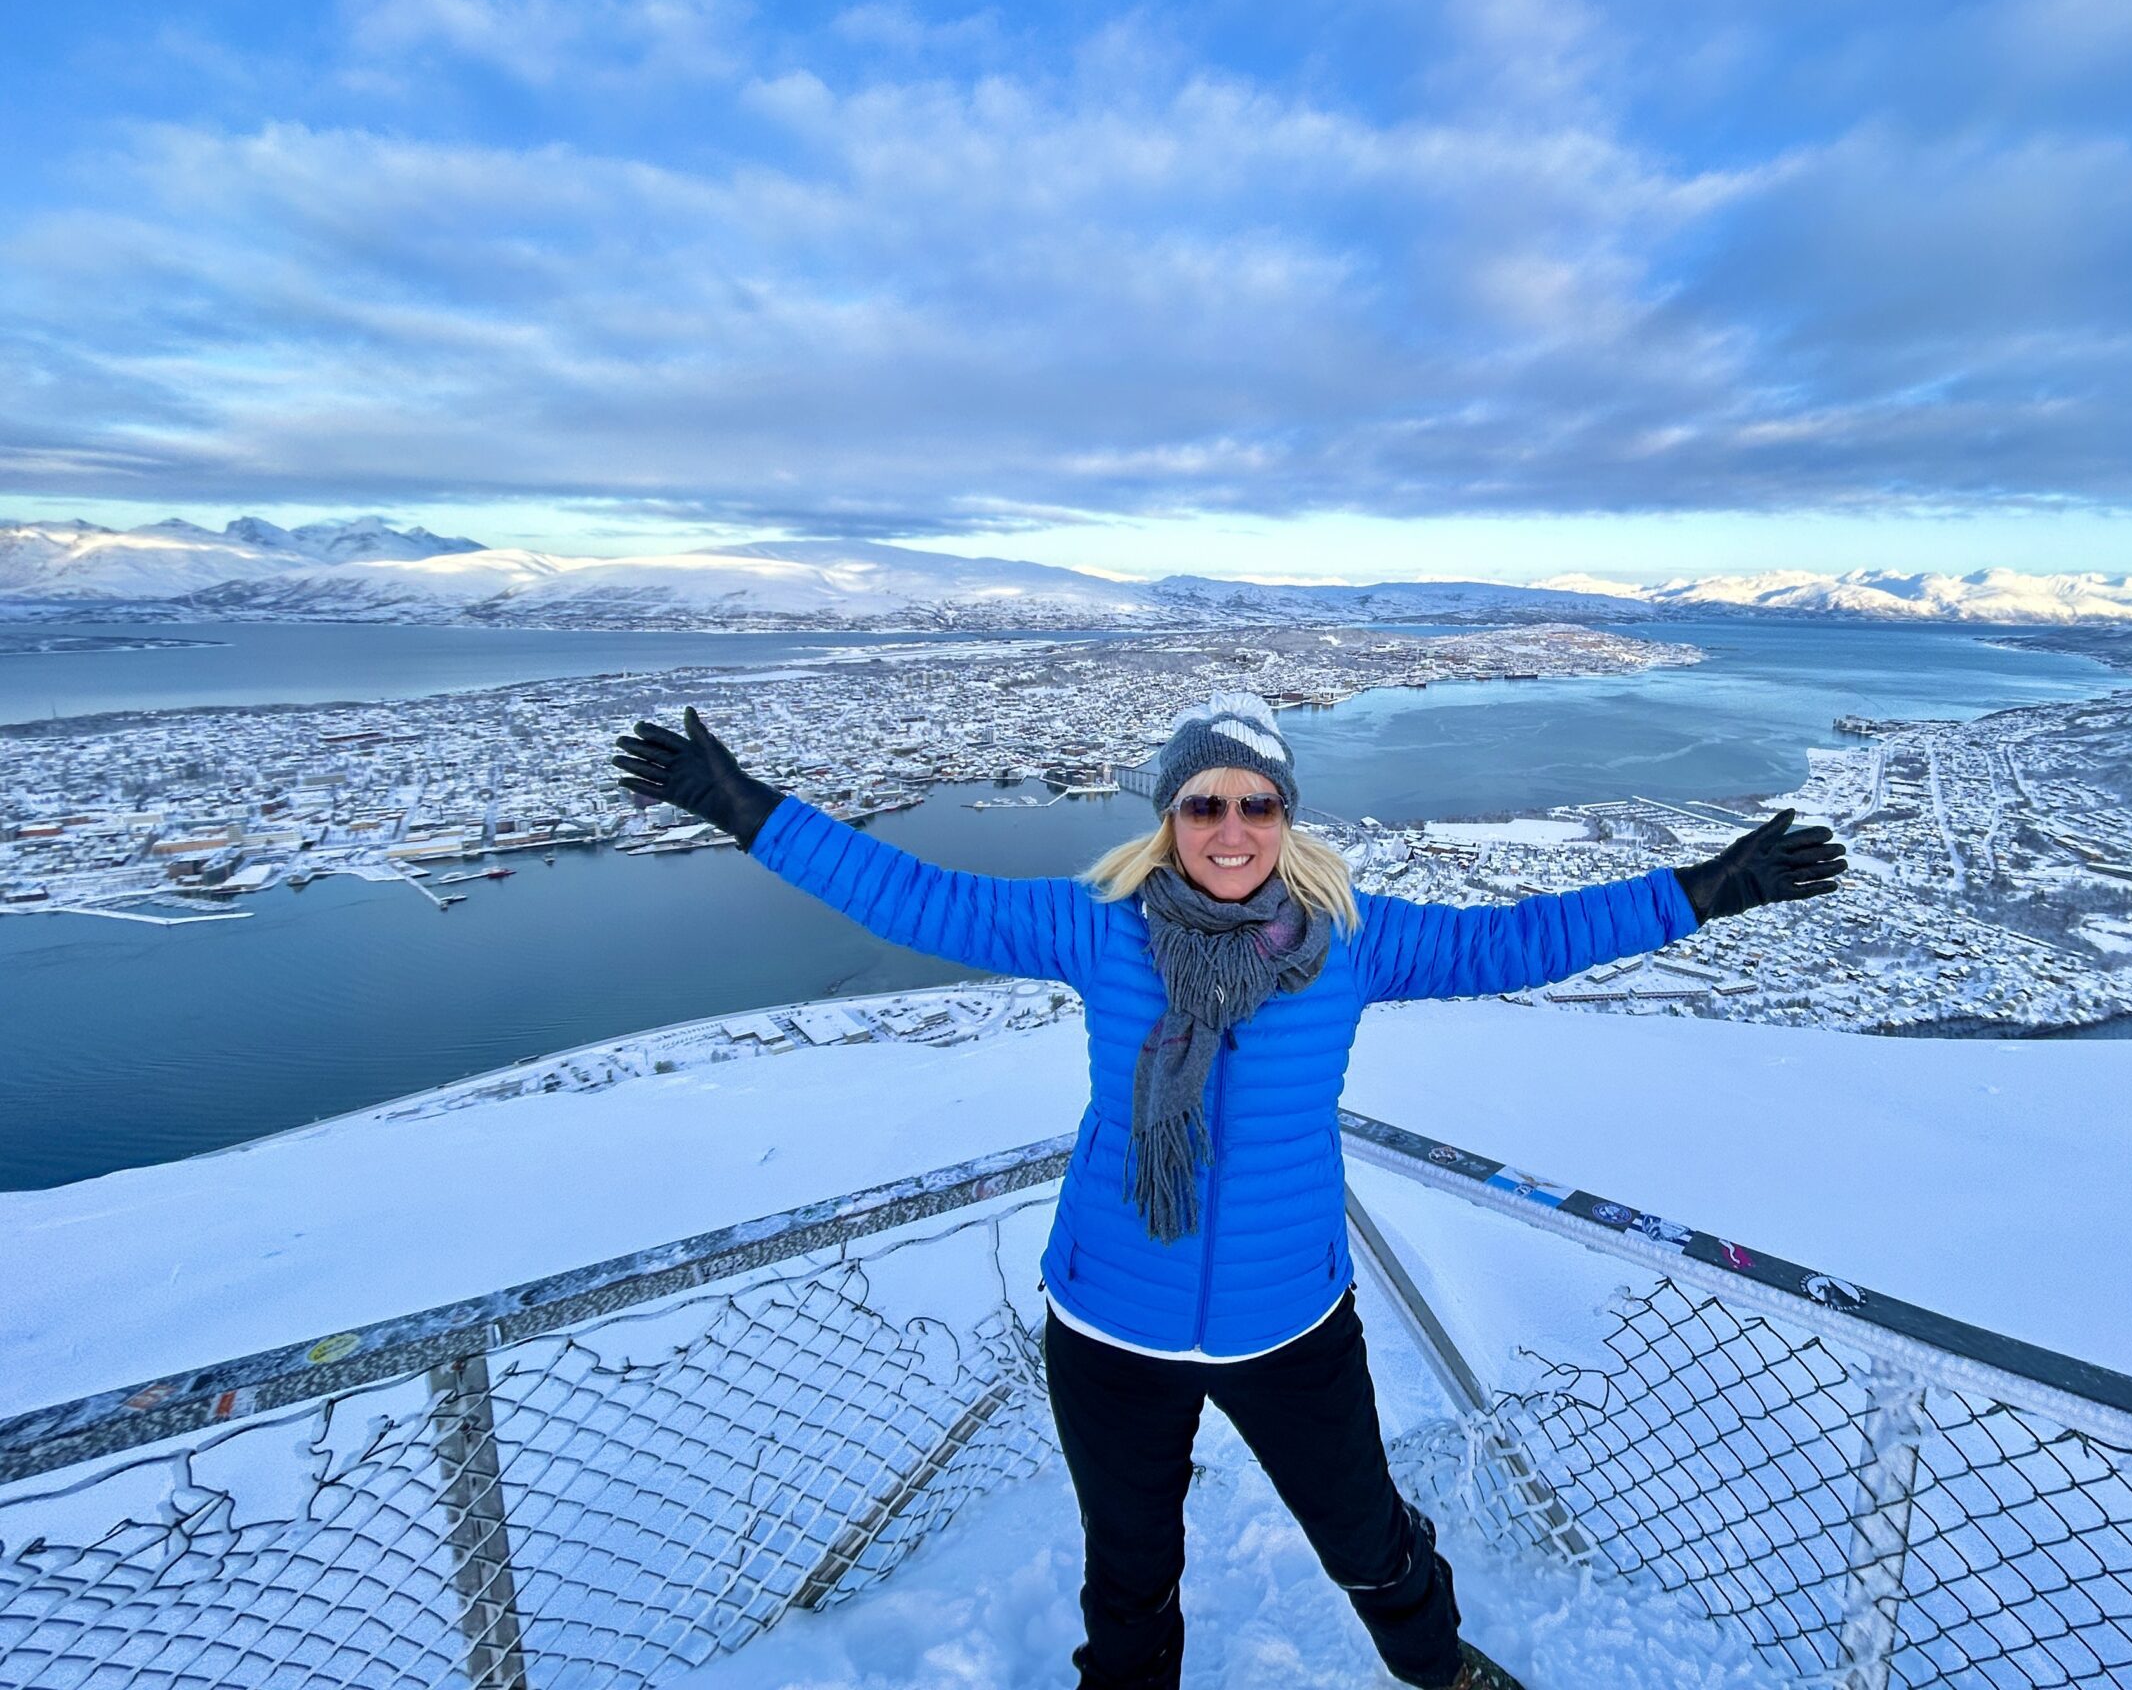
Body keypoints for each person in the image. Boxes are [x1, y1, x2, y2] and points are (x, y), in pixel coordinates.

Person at [613, 692, 1847, 1690]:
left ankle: (1435, 1669)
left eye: (1256, 801)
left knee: (1369, 1545)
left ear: (1285, 817)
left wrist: (1699, 890)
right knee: (1129, 1572)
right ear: (1170, 816)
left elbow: (1519, 938)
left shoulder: (1353, 938)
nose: (1231, 825)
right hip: (1108, 1324)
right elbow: (914, 895)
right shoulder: (1098, 925)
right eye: (1205, 800)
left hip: (1290, 1324)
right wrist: (744, 809)